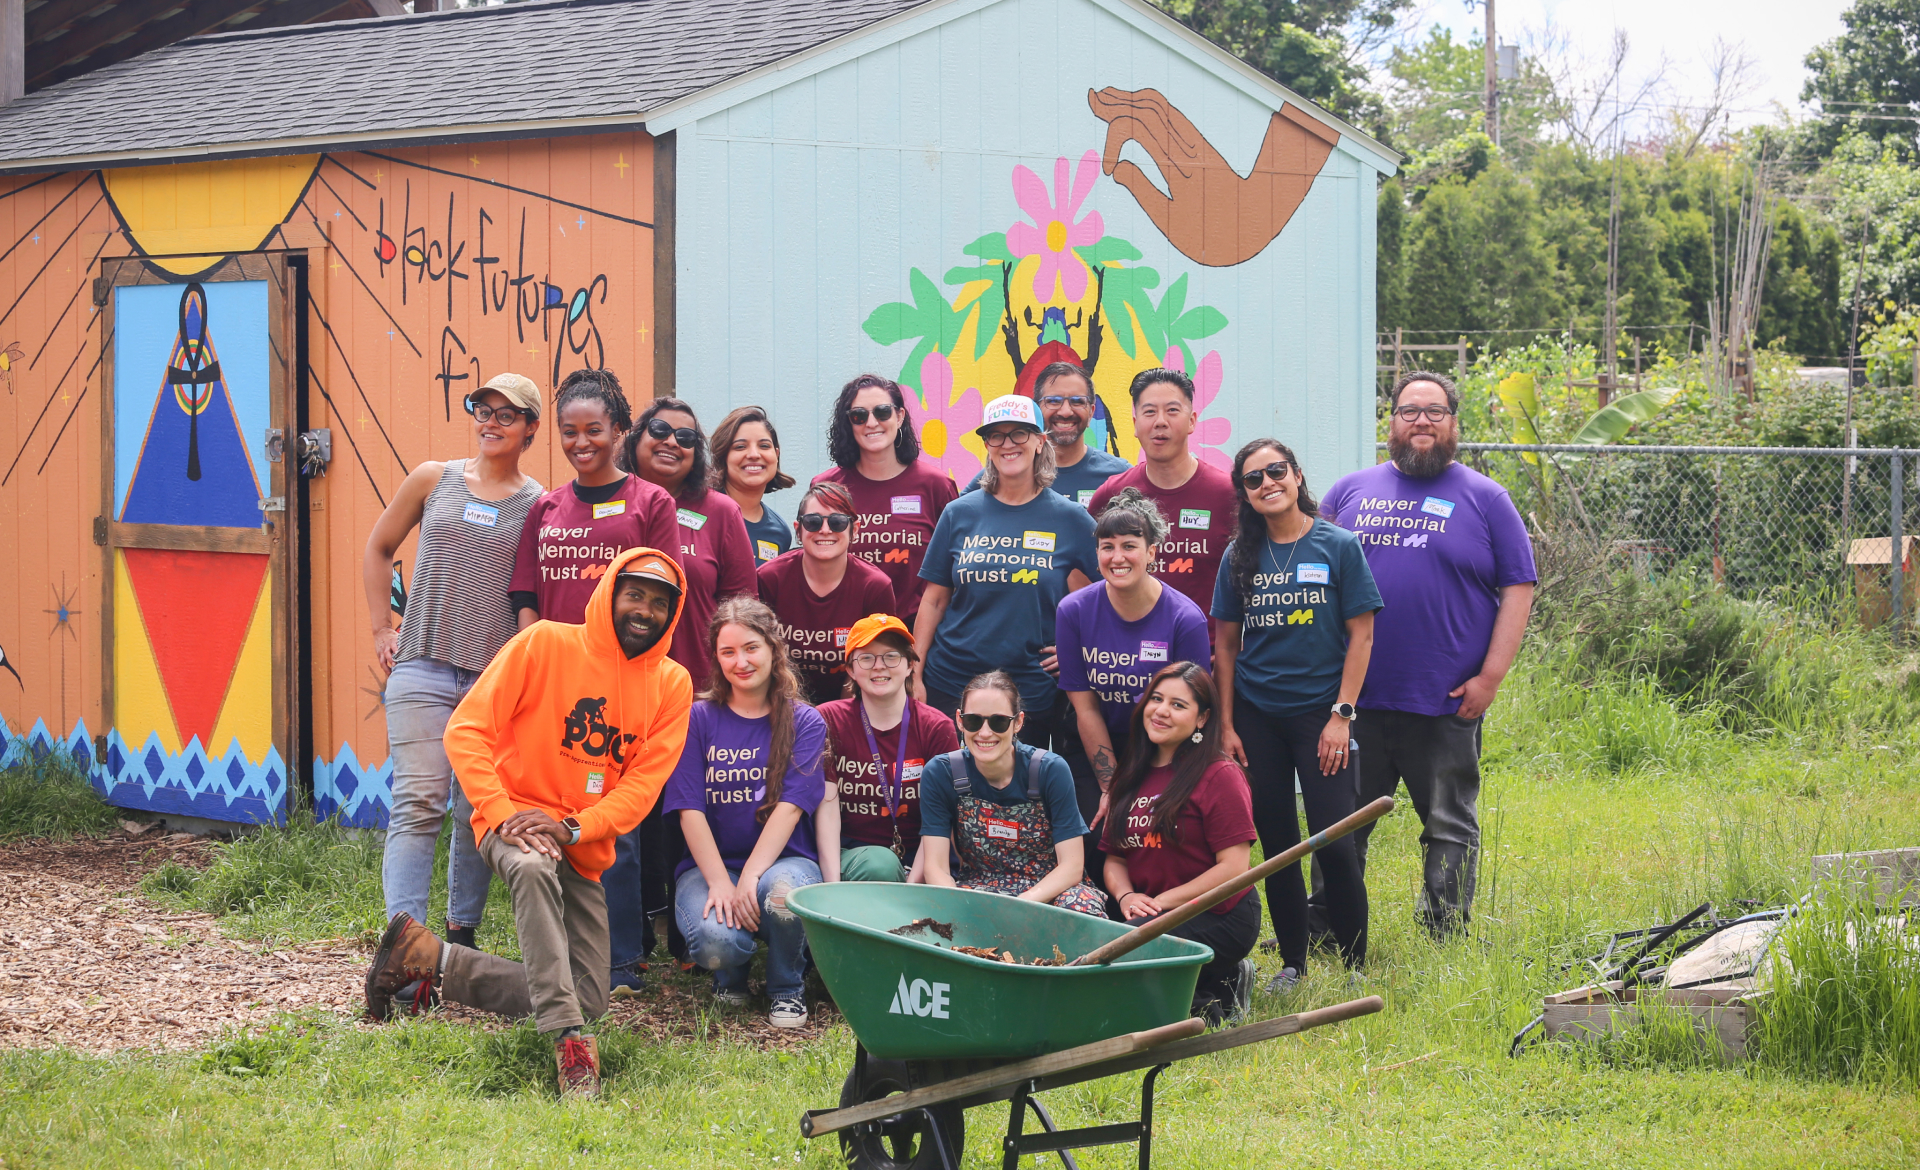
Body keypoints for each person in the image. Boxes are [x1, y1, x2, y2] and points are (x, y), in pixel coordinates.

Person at [363, 549, 694, 1100]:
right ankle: (569, 1043)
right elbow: (466, 731)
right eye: (634, 594)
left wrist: (571, 828)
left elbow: (641, 789)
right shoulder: (544, 644)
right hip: (508, 821)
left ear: (671, 614)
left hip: (580, 842)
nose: (645, 610)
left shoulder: (672, 683)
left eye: (660, 603)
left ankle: (427, 957)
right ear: (610, 590)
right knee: (535, 868)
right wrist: (503, 812)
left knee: (593, 996)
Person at [1311, 371, 1535, 939]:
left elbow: (1518, 587)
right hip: (1355, 699)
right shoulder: (1349, 492)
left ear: (1454, 424)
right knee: (1340, 823)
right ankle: (1328, 925)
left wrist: (1492, 675)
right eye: (1410, 411)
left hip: (1446, 697)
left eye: (1435, 412)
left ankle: (1444, 927)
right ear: (1391, 421)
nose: (1422, 422)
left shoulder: (1487, 498)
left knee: (1448, 821)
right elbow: (1312, 581)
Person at [361, 371, 544, 951]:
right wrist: (381, 627)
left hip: (493, 680)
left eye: (506, 415)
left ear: (530, 429)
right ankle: (405, 943)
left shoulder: (539, 504)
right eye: (482, 409)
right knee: (418, 801)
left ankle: (461, 935)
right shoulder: (432, 480)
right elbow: (379, 547)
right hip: (421, 666)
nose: (490, 422)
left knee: (475, 808)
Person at [1212, 438, 1381, 990]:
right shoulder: (1239, 555)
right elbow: (1227, 646)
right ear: (1244, 492)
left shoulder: (1337, 545)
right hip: (1259, 719)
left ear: (1297, 474)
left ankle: (1356, 966)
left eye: (1275, 471)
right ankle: (1293, 964)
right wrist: (1230, 726)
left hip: (1320, 717)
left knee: (1335, 839)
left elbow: (1362, 634)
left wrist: (1342, 714)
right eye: (1254, 479)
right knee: (1277, 843)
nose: (1267, 484)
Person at [616, 396, 757, 980]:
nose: (672, 441)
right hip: (624, 688)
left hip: (697, 692)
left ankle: (684, 931)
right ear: (636, 437)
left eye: (687, 436)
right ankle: (632, 935)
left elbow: (743, 606)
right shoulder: (614, 503)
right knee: (628, 813)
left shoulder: (719, 511)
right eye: (659, 430)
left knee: (685, 809)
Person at [664, 597, 827, 1028]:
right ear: (716, 658)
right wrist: (721, 881)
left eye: (751, 648)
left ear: (774, 648)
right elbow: (689, 810)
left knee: (781, 897)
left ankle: (786, 988)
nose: (742, 661)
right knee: (717, 942)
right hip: (710, 866)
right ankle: (730, 976)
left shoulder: (805, 721)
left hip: (780, 863)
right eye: (728, 651)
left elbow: (791, 809)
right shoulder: (696, 718)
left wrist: (751, 878)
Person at [913, 395, 1098, 752]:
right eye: (996, 436)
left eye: (1019, 434)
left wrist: (1081, 645)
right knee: (951, 789)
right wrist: (915, 673)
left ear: (1040, 441)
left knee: (1015, 796)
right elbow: (934, 600)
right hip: (951, 681)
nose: (1007, 444)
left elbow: (1113, 589)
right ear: (986, 445)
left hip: (1029, 688)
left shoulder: (1070, 518)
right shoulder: (958, 513)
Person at [1056, 488, 1211, 853]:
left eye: (1129, 545)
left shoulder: (1185, 619)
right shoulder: (1073, 610)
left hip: (1163, 743)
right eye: (1107, 546)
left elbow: (1188, 713)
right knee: (1097, 836)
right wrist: (1111, 788)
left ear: (1151, 552)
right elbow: (1085, 707)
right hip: (1094, 741)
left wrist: (1151, 785)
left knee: (1153, 837)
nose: (1117, 557)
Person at [1103, 662, 1258, 1024]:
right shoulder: (1131, 772)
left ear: (1202, 719)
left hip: (1218, 914)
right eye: (1156, 699)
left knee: (1128, 970)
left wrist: (1162, 905)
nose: (1161, 711)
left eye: (1178, 704)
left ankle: (1214, 1000)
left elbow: (1234, 867)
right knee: (1102, 952)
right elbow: (1114, 857)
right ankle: (1219, 979)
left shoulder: (1220, 775)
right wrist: (1127, 897)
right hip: (1148, 914)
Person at [919, 671, 1106, 915]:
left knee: (1081, 908)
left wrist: (1019, 905)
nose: (985, 733)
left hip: (1052, 891)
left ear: (1018, 722)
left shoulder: (1049, 770)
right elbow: (935, 868)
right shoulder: (941, 772)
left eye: (998, 721)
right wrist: (963, 907)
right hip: (978, 889)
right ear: (959, 720)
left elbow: (1071, 866)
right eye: (974, 721)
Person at [510, 369, 676, 629]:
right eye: (570, 432)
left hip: (620, 659)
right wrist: (536, 653)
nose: (581, 442)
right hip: (555, 660)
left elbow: (665, 590)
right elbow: (525, 596)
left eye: (594, 430)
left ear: (617, 430)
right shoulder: (545, 506)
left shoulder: (653, 502)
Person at [1088, 368, 1238, 648]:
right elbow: (1081, 571)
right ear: (1134, 423)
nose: (1160, 422)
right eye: (1149, 412)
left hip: (1203, 663)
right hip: (1122, 659)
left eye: (1172, 411)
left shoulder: (1227, 494)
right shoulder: (1111, 493)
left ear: (1192, 421)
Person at [813, 614, 959, 883]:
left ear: (910, 666)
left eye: (891, 656)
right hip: (847, 854)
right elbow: (826, 807)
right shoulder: (826, 720)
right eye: (866, 658)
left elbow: (940, 819)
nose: (879, 667)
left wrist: (912, 888)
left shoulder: (937, 728)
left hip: (920, 857)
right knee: (880, 865)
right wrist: (831, 887)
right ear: (850, 670)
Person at [813, 373, 958, 624]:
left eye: (882, 412)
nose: (871, 423)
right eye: (859, 415)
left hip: (916, 641)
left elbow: (952, 577)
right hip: (843, 642)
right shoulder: (827, 486)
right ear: (849, 423)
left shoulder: (936, 486)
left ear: (900, 416)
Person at [755, 482, 895, 706]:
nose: (825, 530)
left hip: (850, 703)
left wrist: (840, 715)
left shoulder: (875, 587)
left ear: (855, 529)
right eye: (813, 521)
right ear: (798, 530)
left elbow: (873, 663)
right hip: (780, 700)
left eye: (838, 522)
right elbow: (759, 656)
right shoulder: (770, 579)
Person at [963, 361, 1131, 505]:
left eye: (1077, 401)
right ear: (1037, 410)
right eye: (1053, 401)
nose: (1065, 412)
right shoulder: (1000, 477)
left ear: (1091, 412)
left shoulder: (1119, 476)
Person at [712, 405, 796, 567]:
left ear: (776, 455)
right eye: (740, 447)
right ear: (723, 456)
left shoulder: (780, 532)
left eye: (764, 446)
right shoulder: (700, 512)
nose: (753, 454)